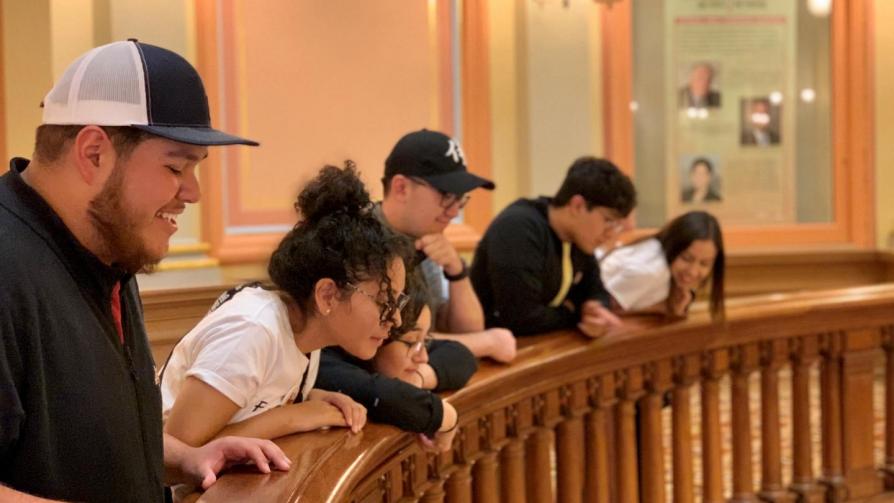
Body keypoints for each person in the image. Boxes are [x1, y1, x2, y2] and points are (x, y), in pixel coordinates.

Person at [0, 40, 290, 503]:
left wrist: (183, 457)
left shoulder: (110, 244)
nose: (192, 192)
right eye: (176, 166)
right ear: (94, 153)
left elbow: (85, 433)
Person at [162, 163, 412, 447]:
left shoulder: (306, 333)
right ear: (327, 295)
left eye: (398, 302)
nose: (397, 320)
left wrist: (317, 398)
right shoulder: (252, 329)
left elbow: (248, 402)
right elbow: (176, 452)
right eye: (384, 302)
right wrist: (293, 417)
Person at [379, 129, 516, 362]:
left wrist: (456, 271)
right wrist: (489, 343)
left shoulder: (423, 236)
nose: (454, 212)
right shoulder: (363, 242)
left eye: (460, 199)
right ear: (401, 187)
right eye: (446, 196)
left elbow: (465, 331)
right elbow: (393, 347)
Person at [470, 156, 637, 338]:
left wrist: (595, 307)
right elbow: (522, 318)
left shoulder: (579, 239)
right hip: (490, 349)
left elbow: (596, 289)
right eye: (608, 221)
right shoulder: (518, 227)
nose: (611, 233)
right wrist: (577, 314)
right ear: (577, 206)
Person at [316, 273, 476, 452]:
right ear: (379, 337)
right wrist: (445, 416)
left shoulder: (393, 345)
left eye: (426, 340)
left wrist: (419, 378)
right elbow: (378, 393)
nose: (423, 357)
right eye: (410, 342)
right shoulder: (323, 360)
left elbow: (462, 356)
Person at [600, 211, 725, 319]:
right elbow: (600, 310)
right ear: (673, 246)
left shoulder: (659, 254)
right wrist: (662, 308)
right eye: (686, 259)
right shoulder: (652, 271)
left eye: (704, 264)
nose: (693, 271)